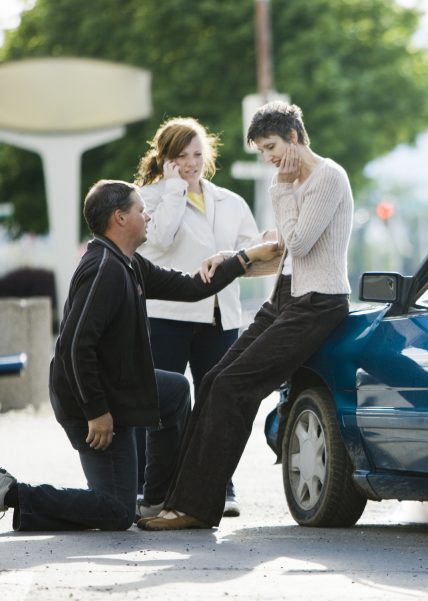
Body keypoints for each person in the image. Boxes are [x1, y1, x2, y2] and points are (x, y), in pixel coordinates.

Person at [0, 180, 281, 531]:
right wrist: (97, 413)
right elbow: (75, 347)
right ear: (120, 218)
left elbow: (192, 288)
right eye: (140, 210)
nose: (148, 216)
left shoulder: (129, 263)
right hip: (90, 404)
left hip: (118, 392)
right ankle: (12, 492)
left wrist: (243, 258)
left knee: (176, 390)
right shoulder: (103, 269)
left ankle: (156, 499)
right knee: (115, 511)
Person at [138, 101, 353, 530]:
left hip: (318, 302)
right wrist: (231, 257)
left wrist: (282, 189)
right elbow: (282, 251)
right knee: (216, 379)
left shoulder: (327, 177)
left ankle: (197, 507)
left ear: (293, 137)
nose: (269, 158)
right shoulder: (294, 182)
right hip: (286, 298)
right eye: (263, 151)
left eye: (271, 147)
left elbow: (302, 241)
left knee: (233, 387)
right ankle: (180, 501)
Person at [134, 116, 264, 518]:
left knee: (218, 403)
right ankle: (149, 489)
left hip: (218, 317)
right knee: (155, 404)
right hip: (167, 316)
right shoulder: (148, 198)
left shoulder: (230, 201)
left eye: (197, 154)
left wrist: (232, 258)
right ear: (166, 158)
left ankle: (220, 487)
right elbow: (159, 239)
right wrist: (174, 190)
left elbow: (254, 254)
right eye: (181, 156)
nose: (191, 162)